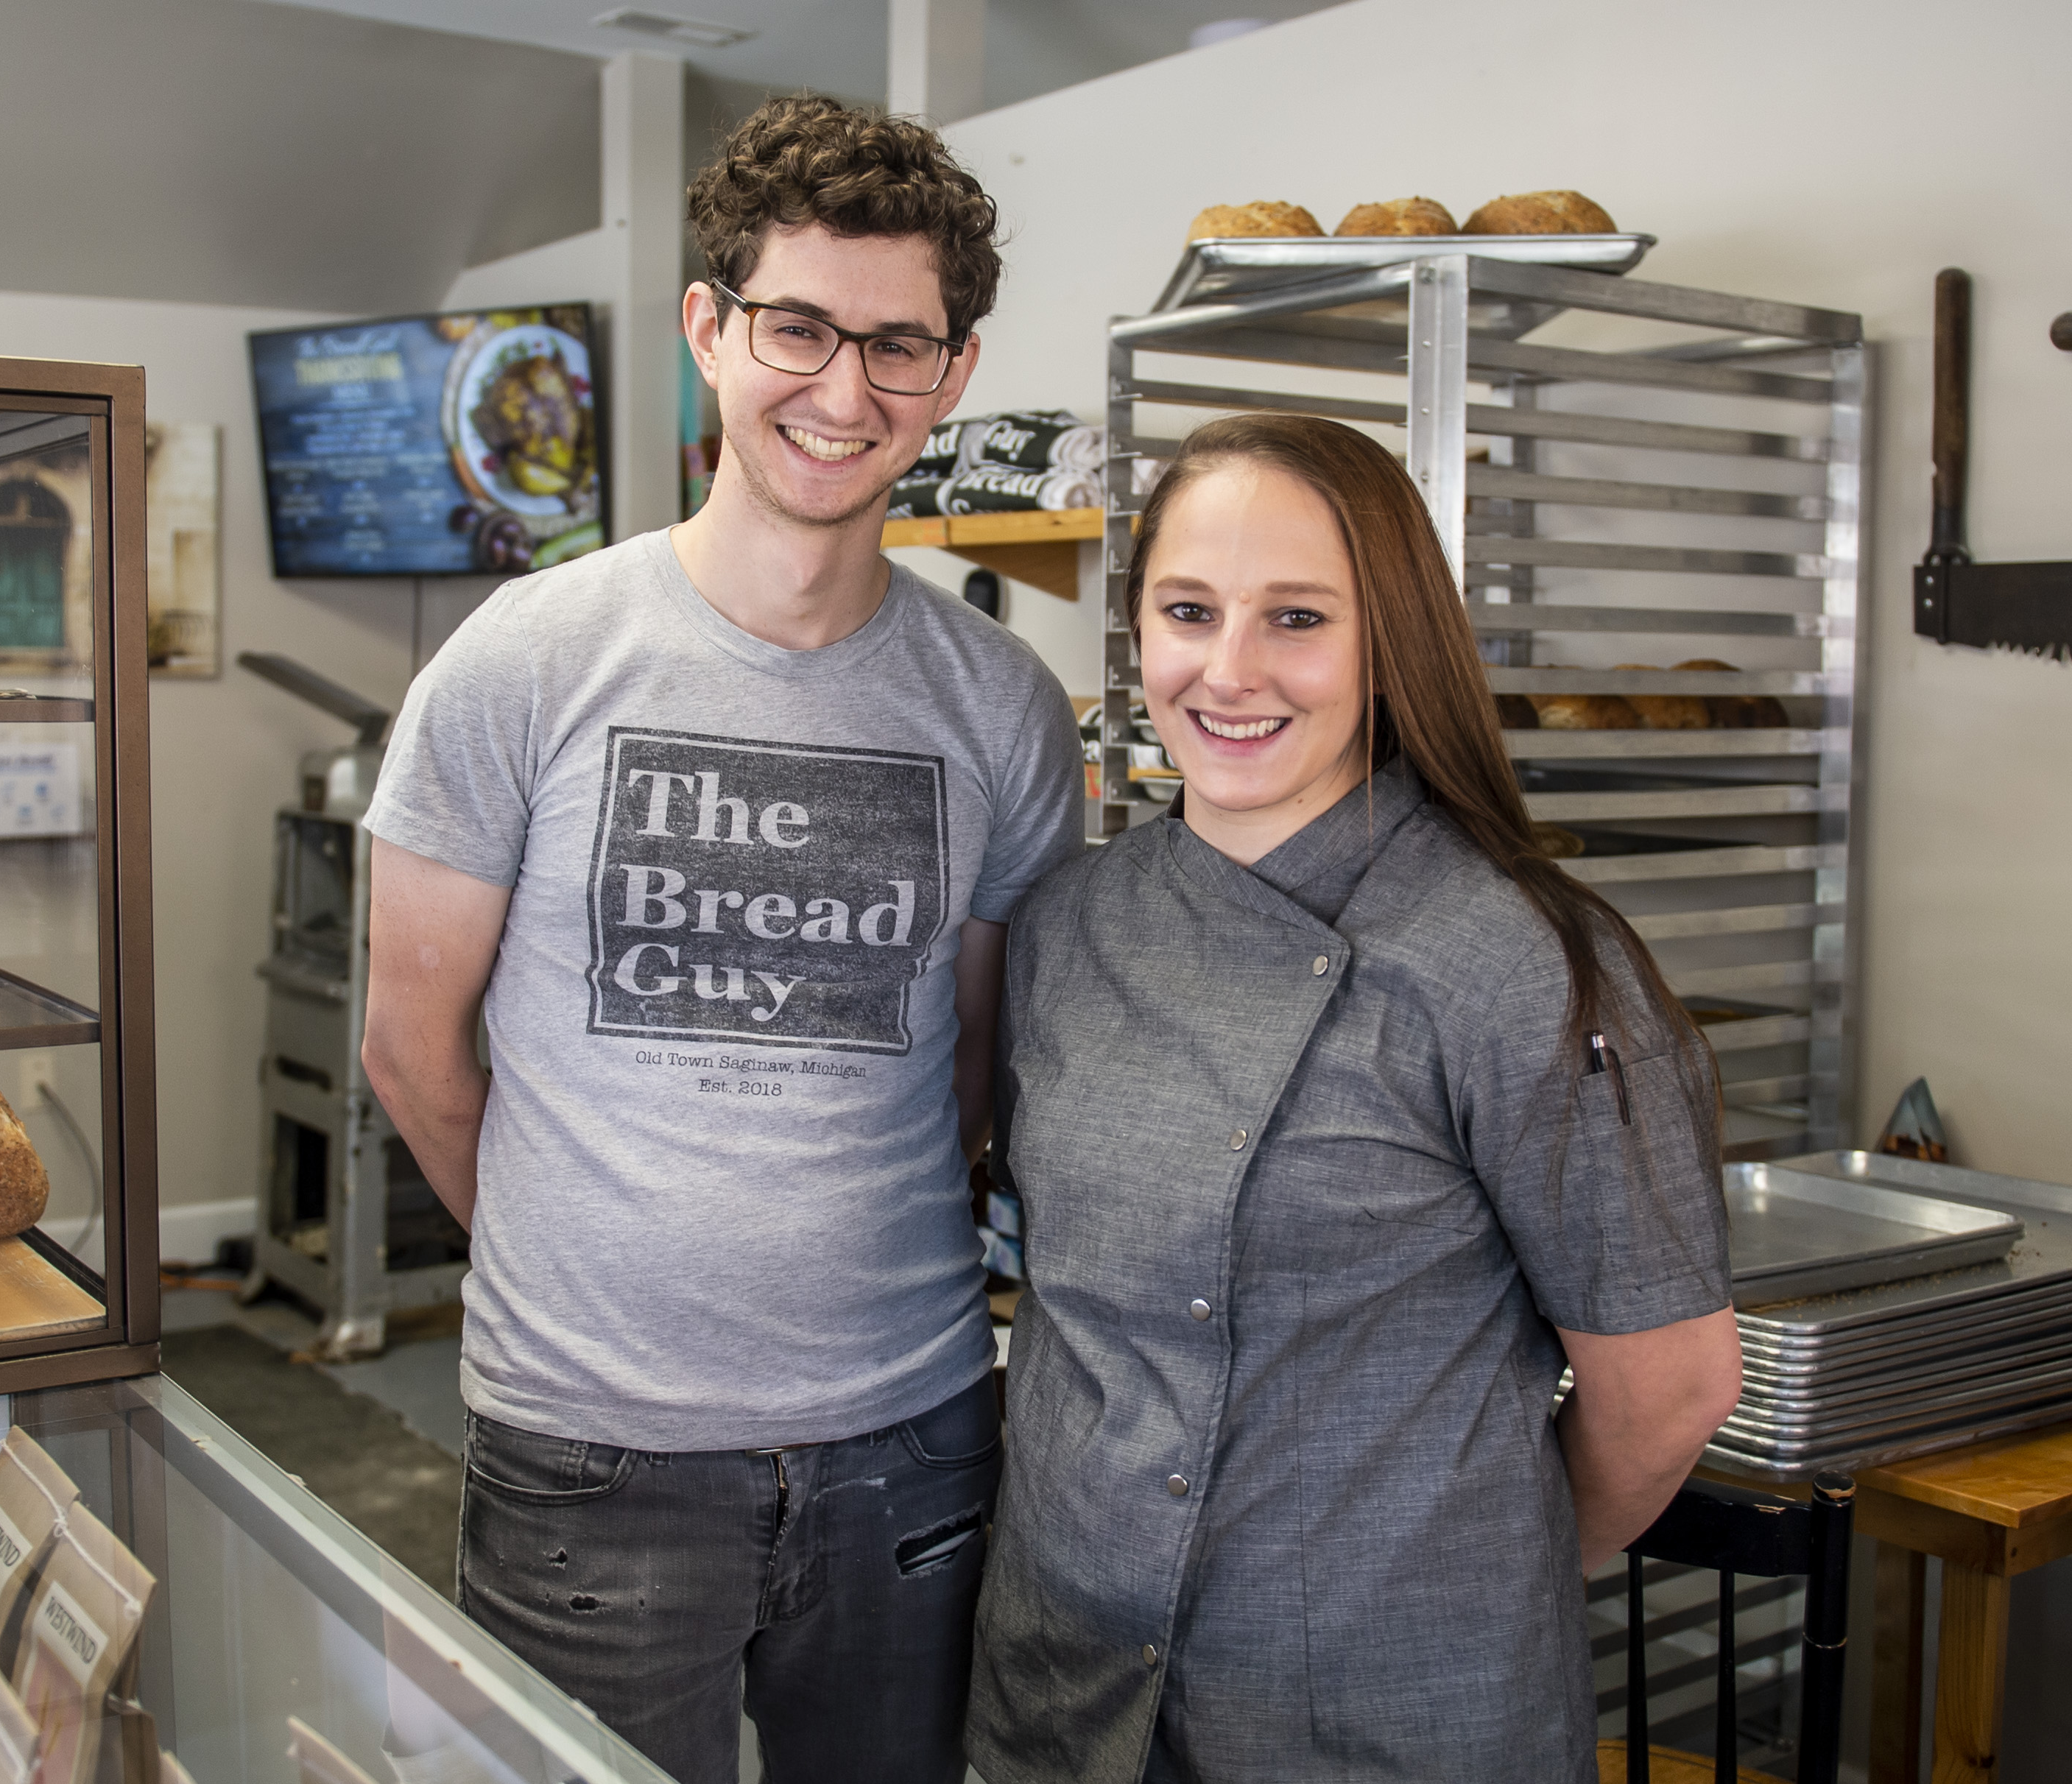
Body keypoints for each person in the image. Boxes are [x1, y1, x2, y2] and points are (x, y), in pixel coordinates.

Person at [358, 96, 1084, 1784]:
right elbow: (411, 1044)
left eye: (897, 346)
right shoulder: (524, 660)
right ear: (710, 328)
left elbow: (977, 1071)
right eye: (799, 329)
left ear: (954, 373)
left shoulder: (1003, 710)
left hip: (909, 1444)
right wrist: (581, 1265)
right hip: (590, 1464)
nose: (844, 393)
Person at [966, 413, 1743, 1783]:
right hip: (1065, 1682)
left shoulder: (1520, 959)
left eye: (1298, 619)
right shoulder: (1065, 927)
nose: (1230, 670)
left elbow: (1666, 1384)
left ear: (1390, 643)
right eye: (1188, 611)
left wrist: (1454, 1564)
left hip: (1386, 1712)